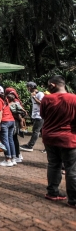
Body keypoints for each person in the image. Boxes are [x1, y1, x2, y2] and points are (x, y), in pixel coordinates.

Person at [40, 75, 76, 206]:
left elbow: (43, 115)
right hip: (68, 138)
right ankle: (73, 199)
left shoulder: (46, 99)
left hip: (49, 137)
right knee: (71, 169)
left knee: (53, 165)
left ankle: (52, 192)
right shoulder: (74, 99)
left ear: (53, 85)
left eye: (48, 85)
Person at [21, 82, 45, 152]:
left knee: (35, 131)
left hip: (39, 116)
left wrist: (34, 97)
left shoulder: (40, 94)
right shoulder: (33, 94)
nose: (27, 88)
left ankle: (30, 146)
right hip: (36, 115)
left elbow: (42, 103)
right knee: (42, 132)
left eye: (28, 87)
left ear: (31, 87)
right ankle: (48, 148)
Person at [5, 88, 26, 163]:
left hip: (14, 121)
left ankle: (17, 155)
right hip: (15, 121)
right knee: (14, 138)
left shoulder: (14, 102)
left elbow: (18, 113)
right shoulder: (16, 100)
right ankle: (17, 154)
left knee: (13, 138)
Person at [0, 86, 18, 167]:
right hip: (11, 121)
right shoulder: (6, 99)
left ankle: (8, 159)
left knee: (5, 141)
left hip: (4, 121)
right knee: (10, 140)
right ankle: (13, 159)